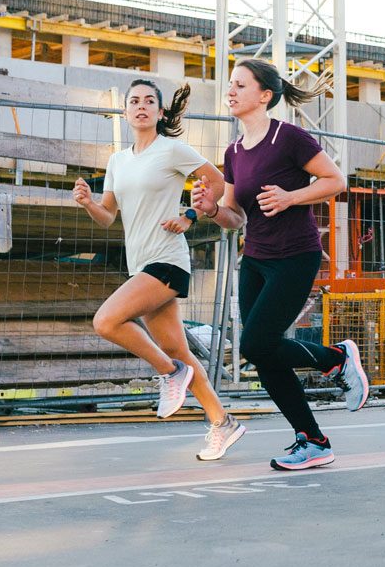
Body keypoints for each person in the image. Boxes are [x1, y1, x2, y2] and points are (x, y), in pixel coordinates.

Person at [191, 58, 369, 472]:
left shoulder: (289, 137)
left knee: (256, 343)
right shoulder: (234, 152)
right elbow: (235, 216)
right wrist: (211, 209)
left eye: (239, 85)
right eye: (229, 86)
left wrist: (290, 196)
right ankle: (312, 440)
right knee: (264, 354)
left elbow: (335, 181)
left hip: (295, 255)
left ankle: (336, 360)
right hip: (255, 259)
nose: (230, 92)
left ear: (265, 95)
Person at [74, 78, 246, 462]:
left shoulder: (171, 150)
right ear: (125, 112)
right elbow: (107, 218)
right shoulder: (118, 161)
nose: (141, 106)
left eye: (149, 101)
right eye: (133, 100)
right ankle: (223, 423)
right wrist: (87, 202)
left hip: (167, 259)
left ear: (160, 112)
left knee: (105, 322)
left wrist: (189, 214)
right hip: (140, 264)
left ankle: (169, 375)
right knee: (180, 353)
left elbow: (217, 181)